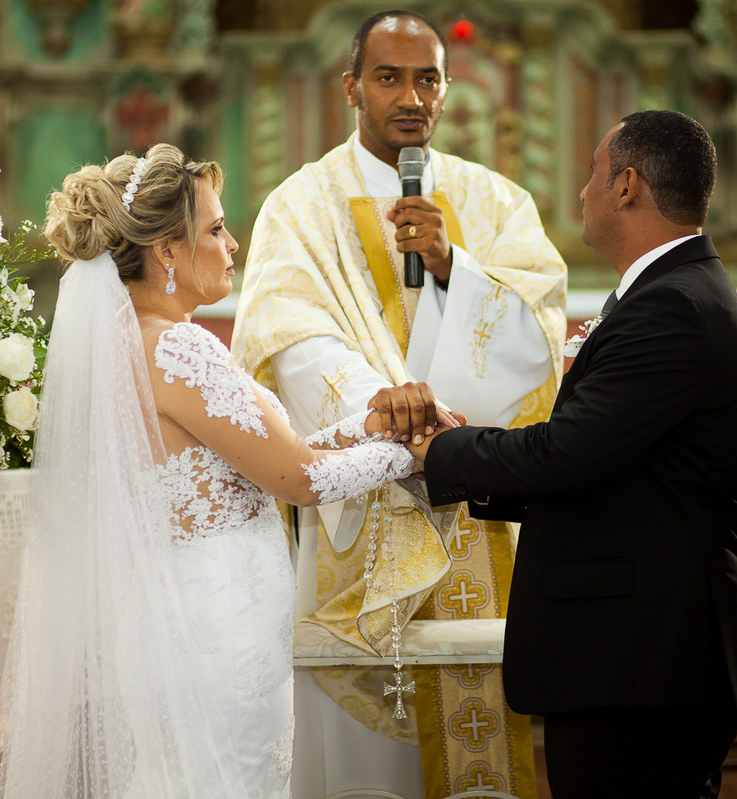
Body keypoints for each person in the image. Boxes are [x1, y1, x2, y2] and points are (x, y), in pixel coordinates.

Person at [0, 144, 445, 798]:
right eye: (216, 229)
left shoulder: (129, 343)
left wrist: (374, 426)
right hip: (214, 629)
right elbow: (300, 479)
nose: (233, 243)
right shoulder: (178, 346)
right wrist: (414, 453)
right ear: (168, 250)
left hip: (183, 620)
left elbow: (268, 453)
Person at [230, 9, 566, 798]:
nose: (410, 95)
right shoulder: (298, 205)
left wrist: (454, 267)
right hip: (361, 497)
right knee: (359, 763)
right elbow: (284, 330)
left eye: (428, 78)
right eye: (389, 76)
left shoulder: (496, 202)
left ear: (449, 91)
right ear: (352, 86)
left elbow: (538, 331)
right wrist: (378, 402)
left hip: (472, 502)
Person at [406, 110, 737, 798]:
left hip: (645, 659)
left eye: (594, 174)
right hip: (641, 655)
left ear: (627, 185)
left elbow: (566, 454)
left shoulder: (674, 308)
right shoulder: (678, 293)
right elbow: (606, 463)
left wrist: (440, 452)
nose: (582, 193)